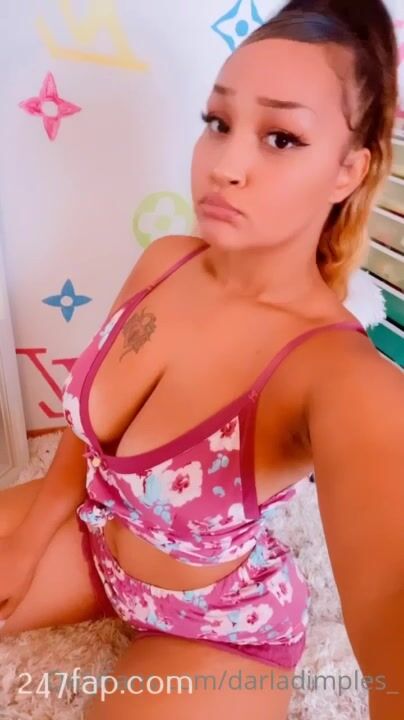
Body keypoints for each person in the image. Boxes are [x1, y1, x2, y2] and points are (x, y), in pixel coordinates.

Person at [0, 1, 403, 718]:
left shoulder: (342, 373)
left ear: (348, 170)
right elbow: (84, 441)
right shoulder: (166, 261)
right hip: (96, 546)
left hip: (219, 628)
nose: (226, 166)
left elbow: (391, 608)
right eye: (218, 122)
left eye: (281, 137)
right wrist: (29, 542)